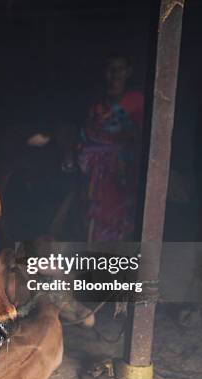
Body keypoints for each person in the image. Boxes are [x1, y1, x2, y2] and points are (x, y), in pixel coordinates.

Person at [78, 54, 144, 241]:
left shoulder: (138, 102)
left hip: (126, 182)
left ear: (128, 72)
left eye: (120, 69)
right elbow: (85, 141)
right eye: (110, 69)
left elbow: (140, 140)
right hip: (98, 183)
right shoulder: (97, 107)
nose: (115, 74)